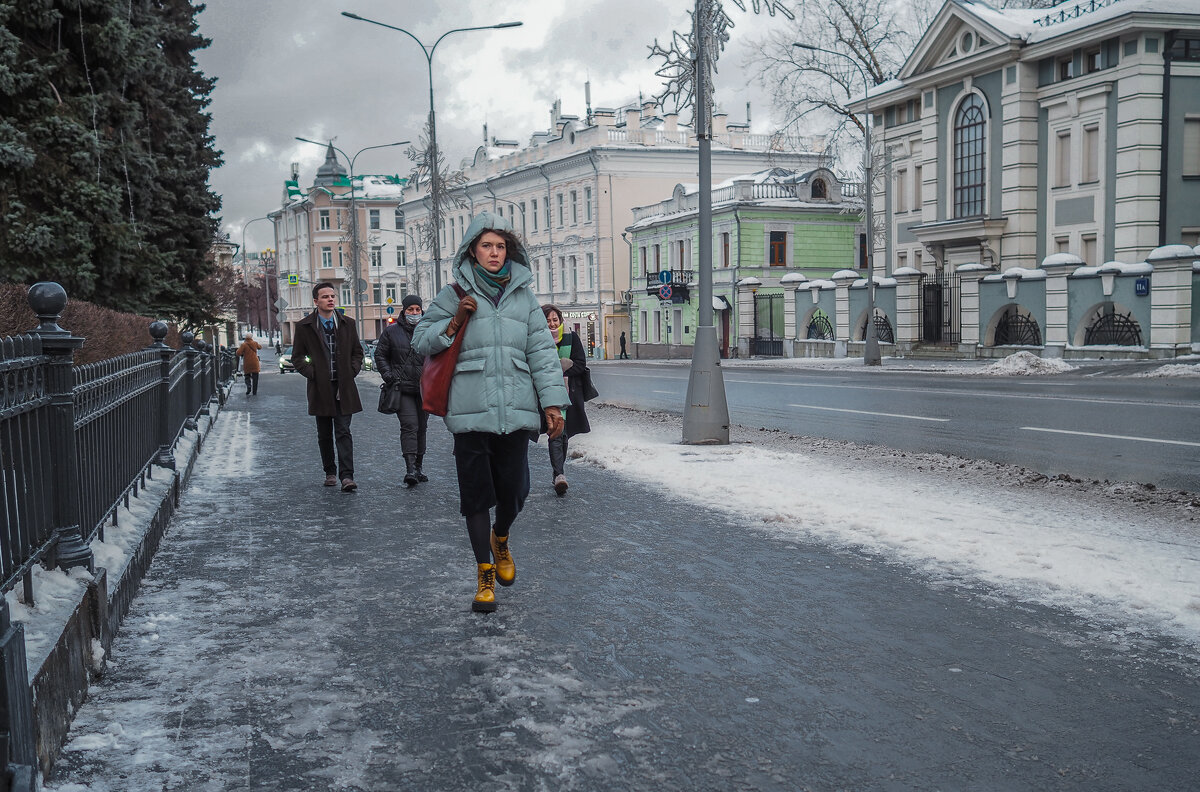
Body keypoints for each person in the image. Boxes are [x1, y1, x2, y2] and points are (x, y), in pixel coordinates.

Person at [413, 211, 568, 614]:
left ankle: (502, 537)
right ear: (472, 251)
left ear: (509, 252)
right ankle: (484, 571)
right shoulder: (452, 293)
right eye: (487, 246)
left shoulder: (524, 297)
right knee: (476, 495)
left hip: (516, 407)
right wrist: (454, 322)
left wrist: (553, 402)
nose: (494, 253)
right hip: (469, 408)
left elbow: (542, 353)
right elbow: (420, 341)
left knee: (515, 490)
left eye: (500, 246)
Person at [291, 282, 364, 492]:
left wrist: (352, 370)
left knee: (343, 431)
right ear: (316, 301)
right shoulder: (304, 327)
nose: (330, 299)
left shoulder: (347, 324)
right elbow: (297, 358)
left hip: (344, 388)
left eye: (333, 296)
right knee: (324, 433)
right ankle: (330, 472)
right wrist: (312, 373)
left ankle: (347, 477)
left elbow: (357, 352)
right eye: (325, 297)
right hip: (320, 388)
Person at [375, 295, 429, 487]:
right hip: (402, 388)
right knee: (410, 426)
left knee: (422, 428)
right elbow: (380, 354)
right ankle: (410, 469)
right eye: (410, 310)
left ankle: (419, 467)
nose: (414, 313)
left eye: (417, 310)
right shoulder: (391, 332)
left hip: (424, 389)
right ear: (404, 311)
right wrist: (389, 376)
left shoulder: (428, 330)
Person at [541, 305, 592, 496]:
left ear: (560, 320)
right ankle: (560, 474)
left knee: (564, 434)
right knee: (555, 430)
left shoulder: (572, 338)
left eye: (555, 319)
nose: (552, 324)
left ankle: (557, 473)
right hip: (546, 393)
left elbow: (580, 364)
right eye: (548, 320)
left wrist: (560, 370)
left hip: (569, 393)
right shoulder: (537, 340)